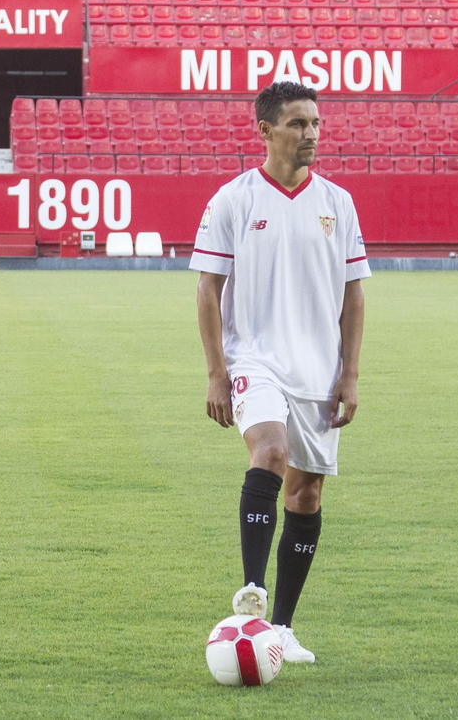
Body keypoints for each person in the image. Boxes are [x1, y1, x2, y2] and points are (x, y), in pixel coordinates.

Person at [190, 80, 369, 665]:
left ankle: (283, 629)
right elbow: (208, 290)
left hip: (319, 369)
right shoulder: (233, 201)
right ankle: (251, 594)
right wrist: (218, 372)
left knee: (307, 492)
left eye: (315, 123)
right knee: (268, 451)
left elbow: (354, 295)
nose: (311, 133)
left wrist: (350, 374)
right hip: (254, 360)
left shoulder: (337, 203)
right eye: (297, 123)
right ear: (265, 130)